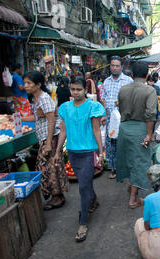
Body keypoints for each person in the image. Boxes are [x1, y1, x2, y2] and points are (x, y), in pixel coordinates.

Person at [54, 77, 105, 242]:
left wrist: (101, 151)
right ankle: (93, 200)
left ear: (85, 90)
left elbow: (96, 130)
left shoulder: (93, 106)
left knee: (83, 186)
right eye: (72, 89)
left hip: (89, 152)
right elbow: (63, 131)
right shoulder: (65, 107)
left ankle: (82, 223)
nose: (75, 92)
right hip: (73, 153)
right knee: (86, 184)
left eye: (78, 89)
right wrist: (57, 152)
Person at [22, 71, 68, 210]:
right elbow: (37, 118)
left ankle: (57, 197)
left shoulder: (44, 98)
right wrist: (18, 118)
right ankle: (56, 196)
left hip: (50, 139)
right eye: (25, 83)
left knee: (51, 168)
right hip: (44, 138)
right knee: (48, 168)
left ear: (38, 84)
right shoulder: (37, 99)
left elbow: (51, 120)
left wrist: (48, 143)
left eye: (29, 83)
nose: (26, 86)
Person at [116, 61, 157, 209]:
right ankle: (133, 199)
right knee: (139, 163)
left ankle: (130, 186)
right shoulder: (149, 90)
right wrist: (149, 134)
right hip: (140, 129)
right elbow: (150, 114)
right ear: (147, 75)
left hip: (124, 128)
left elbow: (120, 109)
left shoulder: (123, 89)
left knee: (128, 159)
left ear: (132, 75)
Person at [100, 56, 133, 179]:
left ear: (121, 67)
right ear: (110, 66)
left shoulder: (128, 81)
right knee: (110, 143)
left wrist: (123, 102)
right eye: (112, 65)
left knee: (122, 143)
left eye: (117, 65)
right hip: (109, 119)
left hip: (123, 119)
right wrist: (104, 114)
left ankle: (123, 168)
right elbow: (103, 98)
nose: (115, 68)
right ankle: (113, 168)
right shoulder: (106, 81)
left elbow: (132, 100)